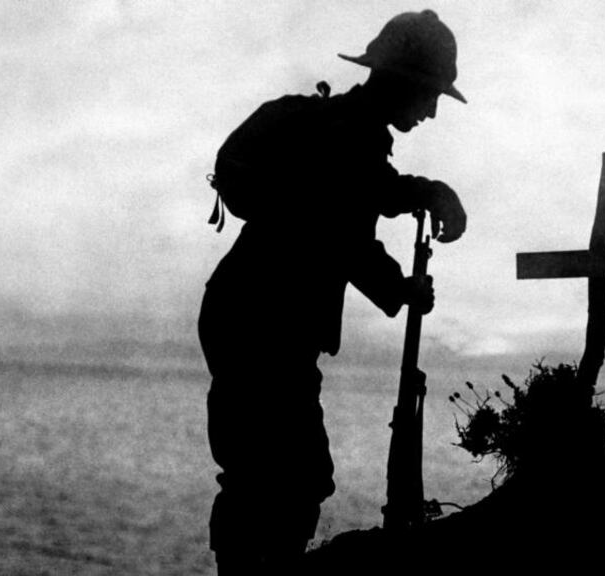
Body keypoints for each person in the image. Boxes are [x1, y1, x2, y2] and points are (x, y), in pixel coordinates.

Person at [199, 10, 468, 574]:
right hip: (262, 323)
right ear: (403, 82)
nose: (433, 109)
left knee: (273, 476)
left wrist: (423, 198)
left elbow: (359, 203)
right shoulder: (349, 140)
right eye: (430, 93)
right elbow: (345, 229)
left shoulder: (345, 136)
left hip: (248, 315)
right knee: (282, 481)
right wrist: (404, 285)